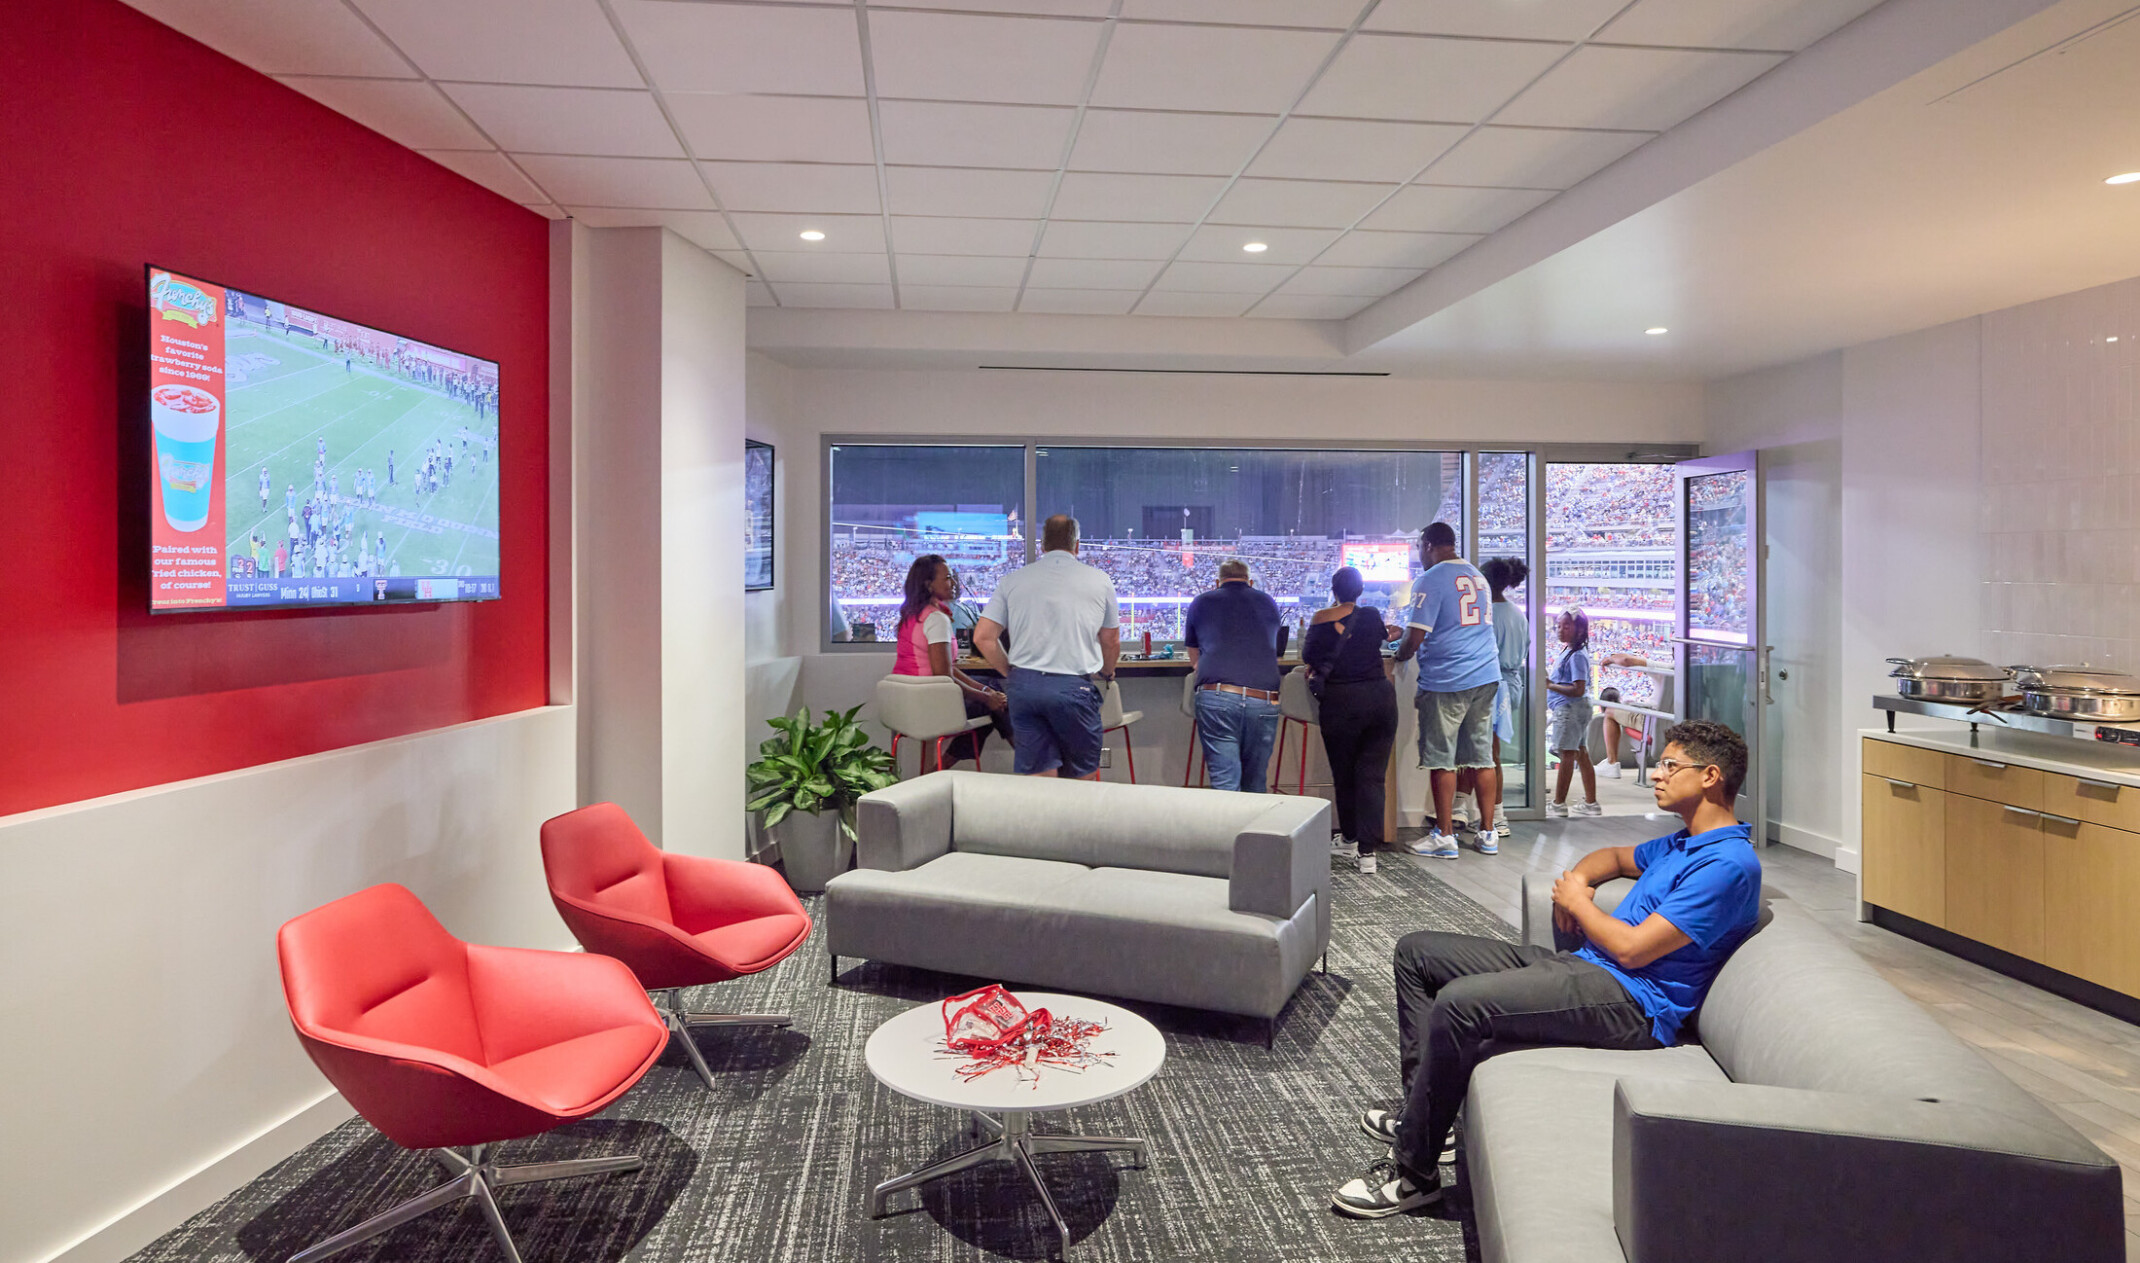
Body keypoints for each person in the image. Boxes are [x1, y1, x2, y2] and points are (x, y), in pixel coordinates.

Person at [1329, 719, 1761, 1218]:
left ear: (1709, 777)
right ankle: (1425, 1120)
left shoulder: (1728, 865)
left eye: (1669, 765)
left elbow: (1633, 950)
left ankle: (1413, 1173)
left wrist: (1578, 903)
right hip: (1589, 969)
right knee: (1418, 952)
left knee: (1460, 1004)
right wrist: (1580, 876)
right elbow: (1616, 856)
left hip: (1633, 1003)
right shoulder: (1684, 842)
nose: (1658, 774)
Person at [974, 515, 1121, 779]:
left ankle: (1042, 821)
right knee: (1081, 775)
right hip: (1072, 687)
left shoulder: (1012, 580)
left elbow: (983, 637)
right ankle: (1077, 821)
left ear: (1042, 545)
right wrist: (1107, 672)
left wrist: (1011, 672)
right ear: (1077, 545)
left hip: (1025, 687)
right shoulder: (1099, 580)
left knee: (1040, 778)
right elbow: (1110, 640)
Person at [1393, 522, 1501, 859]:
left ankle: (1444, 835)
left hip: (1448, 677)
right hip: (1485, 674)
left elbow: (1415, 637)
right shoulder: (1477, 575)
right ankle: (1487, 832)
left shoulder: (1431, 578)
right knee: (1482, 758)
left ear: (1427, 545)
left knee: (1443, 759)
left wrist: (1398, 654)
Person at [1304, 566, 1395, 872]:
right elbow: (1383, 638)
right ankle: (1368, 854)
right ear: (1360, 589)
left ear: (1333, 589)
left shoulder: (1319, 619)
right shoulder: (1371, 615)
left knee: (1345, 775)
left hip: (1341, 701)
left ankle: (1349, 839)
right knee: (1373, 777)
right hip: (1381, 699)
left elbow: (1310, 657)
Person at [893, 554, 1011, 768]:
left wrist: (986, 692)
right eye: (947, 578)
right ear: (929, 585)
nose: (954, 582)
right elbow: (944, 676)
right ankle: (1033, 763)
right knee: (994, 705)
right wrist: (987, 697)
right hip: (930, 705)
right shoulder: (936, 619)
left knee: (990, 695)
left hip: (907, 703)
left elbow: (947, 669)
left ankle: (937, 771)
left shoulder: (911, 616)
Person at [1184, 558, 1284, 793]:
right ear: (1250, 581)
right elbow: (1273, 646)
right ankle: (1254, 830)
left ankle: (1228, 829)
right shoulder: (1268, 602)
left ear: (1217, 582)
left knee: (1226, 783)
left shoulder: (1201, 602)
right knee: (1256, 783)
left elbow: (1194, 657)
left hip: (1218, 696)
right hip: (1264, 697)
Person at [1480, 557, 1530, 841]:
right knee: (1489, 751)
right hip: (1512, 683)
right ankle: (1481, 810)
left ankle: (1496, 816)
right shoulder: (1516, 613)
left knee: (1488, 755)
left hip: (1494, 685)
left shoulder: (1491, 614)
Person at [1547, 608, 1601, 817]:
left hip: (1570, 708)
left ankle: (1559, 804)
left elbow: (1578, 689)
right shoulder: (1570, 651)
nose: (1560, 630)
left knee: (1567, 754)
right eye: (1559, 625)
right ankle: (1591, 802)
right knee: (1581, 753)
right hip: (1576, 710)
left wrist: (1550, 686)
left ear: (1579, 630)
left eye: (1566, 626)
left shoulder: (1577, 656)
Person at [1598, 652, 1652, 779]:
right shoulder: (1690, 674)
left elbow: (1627, 660)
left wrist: (1610, 658)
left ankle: (1611, 763)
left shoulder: (1665, 667)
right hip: (1666, 720)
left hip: (1650, 720)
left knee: (1610, 711)